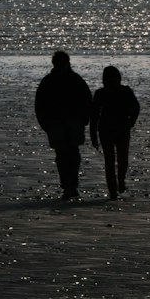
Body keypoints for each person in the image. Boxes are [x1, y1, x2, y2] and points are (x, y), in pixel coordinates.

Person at [34, 50, 93, 201]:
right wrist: (45, 124)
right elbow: (40, 105)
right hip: (56, 123)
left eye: (63, 63)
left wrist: (85, 119)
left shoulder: (73, 80)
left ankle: (71, 186)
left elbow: (87, 101)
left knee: (71, 154)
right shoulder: (51, 81)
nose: (61, 66)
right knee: (63, 155)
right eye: (59, 63)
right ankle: (68, 186)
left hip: (72, 122)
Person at [90, 65, 140, 200]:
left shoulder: (125, 91)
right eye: (109, 78)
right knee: (111, 160)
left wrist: (131, 122)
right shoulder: (101, 93)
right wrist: (93, 135)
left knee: (120, 159)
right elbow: (94, 115)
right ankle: (113, 189)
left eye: (114, 78)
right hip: (108, 130)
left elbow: (136, 108)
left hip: (120, 129)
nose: (112, 81)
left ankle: (120, 182)